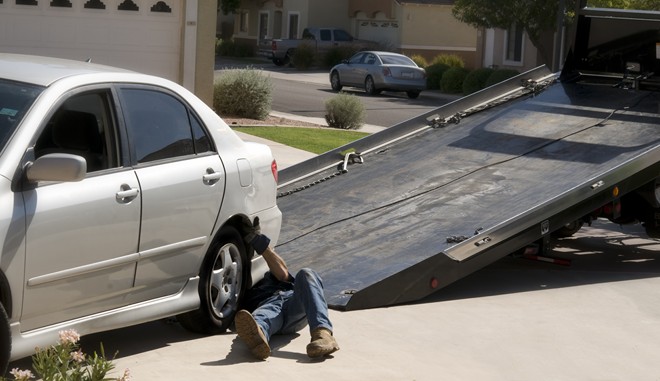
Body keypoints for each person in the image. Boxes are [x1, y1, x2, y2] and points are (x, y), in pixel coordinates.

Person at [235, 217, 340, 360]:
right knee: (262, 316)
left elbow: (283, 274)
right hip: (269, 309)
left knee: (306, 274)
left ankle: (323, 335)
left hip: (293, 303)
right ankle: (258, 338)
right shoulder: (239, 292)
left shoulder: (268, 276)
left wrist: (258, 242)